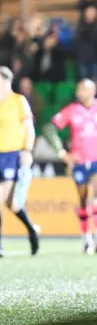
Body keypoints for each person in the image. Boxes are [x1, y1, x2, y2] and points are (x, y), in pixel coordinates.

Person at [43, 79, 97, 254]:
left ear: (93, 91)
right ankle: (86, 239)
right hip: (80, 161)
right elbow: (49, 128)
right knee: (83, 200)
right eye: (79, 89)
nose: (80, 92)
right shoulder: (72, 110)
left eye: (83, 89)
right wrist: (62, 153)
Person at [0, 67, 40, 258]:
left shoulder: (18, 101)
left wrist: (27, 150)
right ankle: (31, 229)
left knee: (6, 201)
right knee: (10, 204)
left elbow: (29, 128)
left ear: (7, 81)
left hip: (11, 155)